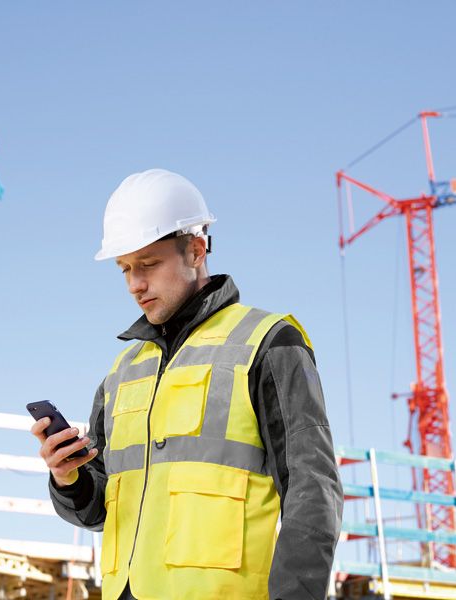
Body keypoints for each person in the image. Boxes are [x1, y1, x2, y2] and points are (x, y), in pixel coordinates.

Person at [31, 169, 343, 599]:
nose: (135, 284)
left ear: (196, 250)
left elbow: (313, 490)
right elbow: (99, 511)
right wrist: (68, 477)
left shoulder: (268, 343)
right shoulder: (122, 372)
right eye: (125, 269)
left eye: (148, 264)